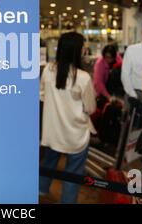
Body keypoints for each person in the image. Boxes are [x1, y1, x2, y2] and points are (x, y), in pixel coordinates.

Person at [39, 32, 96, 204]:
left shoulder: (48, 70)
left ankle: (40, 190)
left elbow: (41, 96)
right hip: (76, 133)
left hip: (53, 131)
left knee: (49, 162)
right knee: (73, 172)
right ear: (78, 51)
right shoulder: (83, 77)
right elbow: (90, 108)